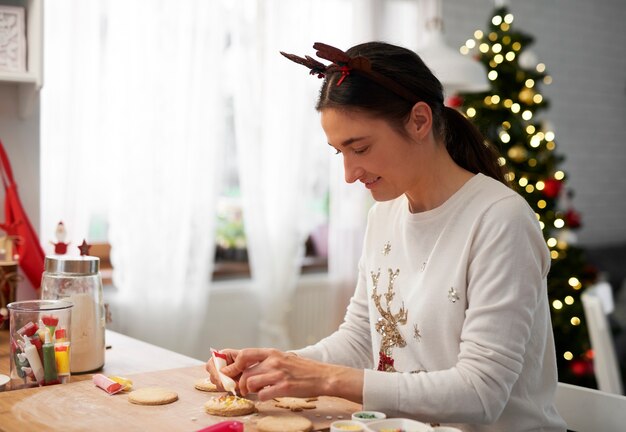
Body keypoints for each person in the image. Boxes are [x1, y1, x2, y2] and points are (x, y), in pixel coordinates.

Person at [206, 41, 567, 431]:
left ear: (418, 121)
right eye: (338, 152)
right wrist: (272, 366)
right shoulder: (383, 216)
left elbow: (481, 394)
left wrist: (324, 378)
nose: (348, 173)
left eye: (359, 147)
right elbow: (361, 341)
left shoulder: (501, 220)